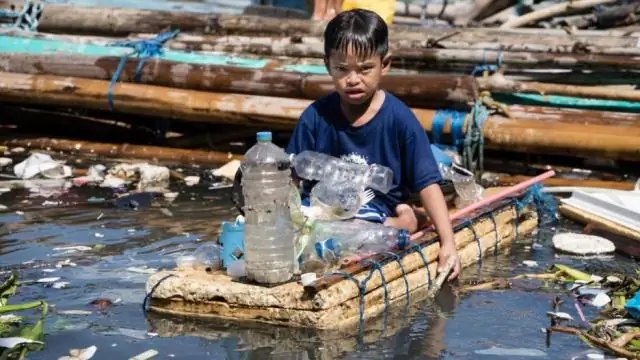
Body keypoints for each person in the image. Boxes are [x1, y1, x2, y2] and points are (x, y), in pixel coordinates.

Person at [286, 9, 460, 280]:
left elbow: (427, 183)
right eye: (342, 69)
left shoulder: (400, 119)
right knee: (308, 225)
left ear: (385, 64)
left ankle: (403, 222)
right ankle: (405, 221)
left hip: (373, 209)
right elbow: (292, 178)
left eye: (365, 68)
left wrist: (448, 243)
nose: (353, 79)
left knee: (351, 229)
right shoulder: (315, 116)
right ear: (327, 65)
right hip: (324, 206)